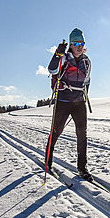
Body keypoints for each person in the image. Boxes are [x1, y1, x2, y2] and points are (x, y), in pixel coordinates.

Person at [45, 28, 93, 181]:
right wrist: (58, 54)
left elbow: (87, 81)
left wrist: (84, 96)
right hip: (63, 101)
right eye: (76, 43)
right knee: (56, 131)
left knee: (82, 134)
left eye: (81, 43)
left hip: (79, 102)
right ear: (71, 45)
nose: (79, 46)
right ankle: (48, 161)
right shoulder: (64, 58)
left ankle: (82, 168)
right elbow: (52, 69)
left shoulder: (87, 62)